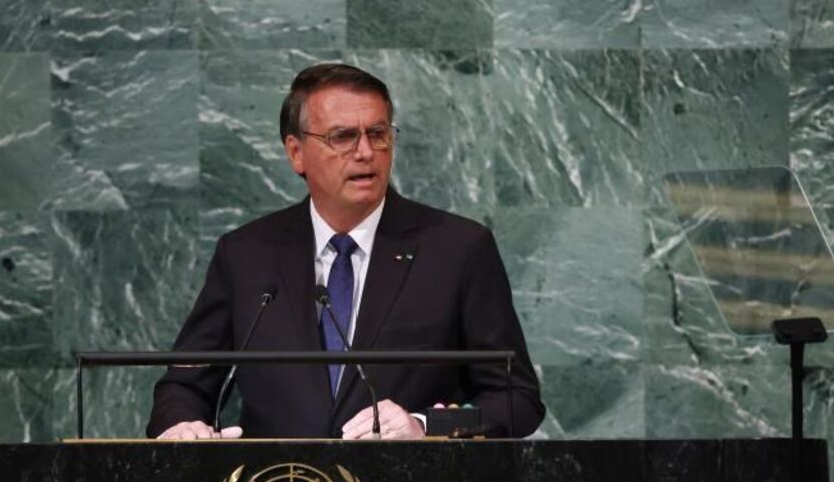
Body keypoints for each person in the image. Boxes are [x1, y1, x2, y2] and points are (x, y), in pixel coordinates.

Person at [147, 63, 543, 440]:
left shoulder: (457, 249)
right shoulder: (246, 255)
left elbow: (516, 398)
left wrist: (425, 426)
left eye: (378, 133)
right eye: (343, 137)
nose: (366, 152)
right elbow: (184, 385)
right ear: (296, 152)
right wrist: (182, 427)